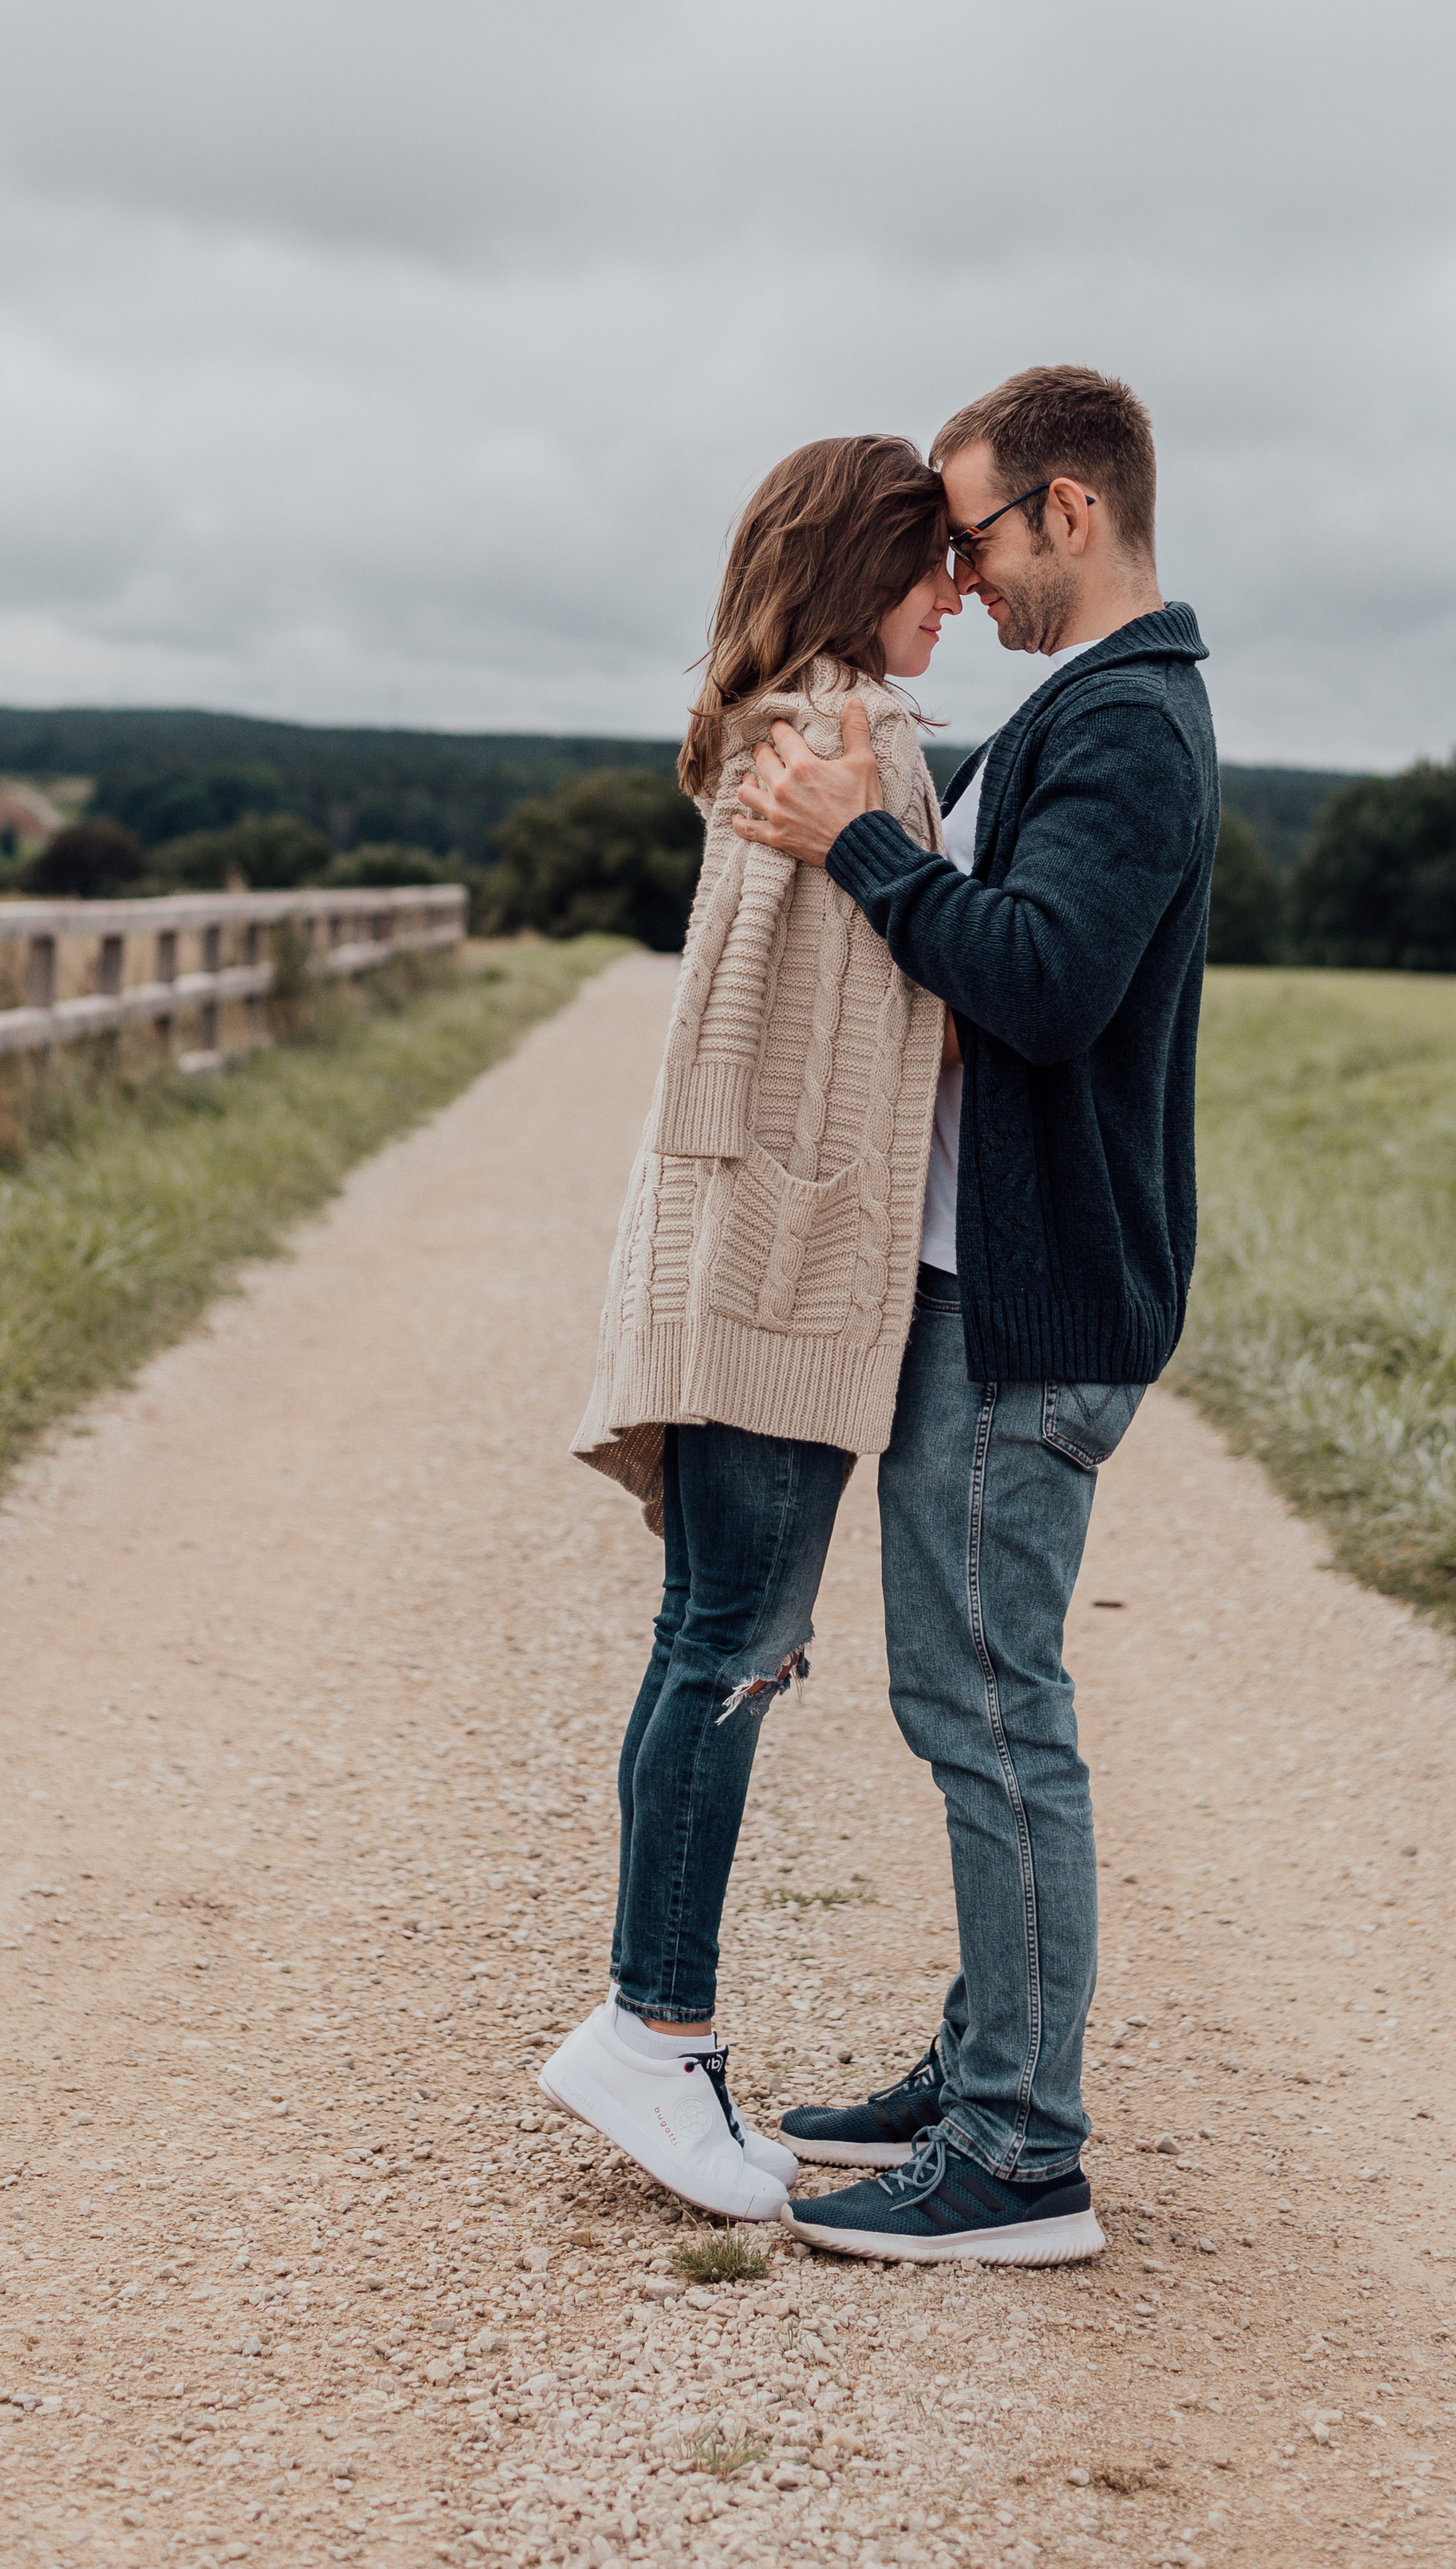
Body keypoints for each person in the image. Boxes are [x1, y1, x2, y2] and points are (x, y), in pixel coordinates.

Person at [730, 364, 1219, 2264]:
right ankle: (979, 2065)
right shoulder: (1080, 709)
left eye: (976, 534)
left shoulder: (1127, 727)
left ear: (1066, 510)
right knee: (966, 1694)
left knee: (988, 1704)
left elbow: (1039, 980)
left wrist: (859, 846)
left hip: (1035, 1306)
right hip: (987, 1286)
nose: (962, 572)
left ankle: (1019, 2154)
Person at [538, 435, 962, 2221]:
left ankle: (653, 2027)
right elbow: (776, 1025)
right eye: (933, 564)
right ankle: (655, 2034)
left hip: (748, 1258)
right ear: (865, 565)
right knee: (731, 1645)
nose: (956, 597)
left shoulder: (792, 724)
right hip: (778, 1274)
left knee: (708, 1638)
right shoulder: (838, 734)